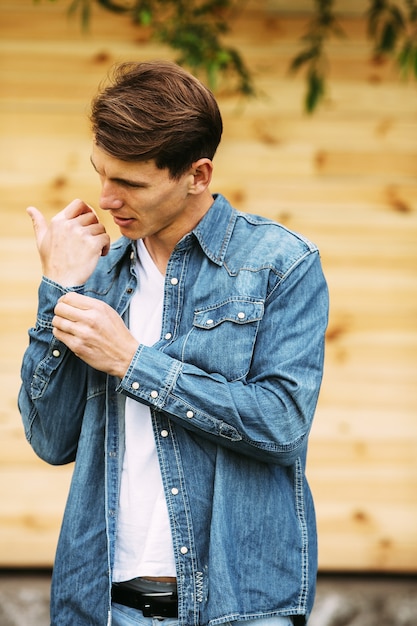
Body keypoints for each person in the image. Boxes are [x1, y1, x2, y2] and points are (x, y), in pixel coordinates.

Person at [19, 60, 329, 626]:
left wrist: (134, 363)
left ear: (198, 174)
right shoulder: (100, 278)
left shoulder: (279, 266)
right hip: (103, 606)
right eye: (101, 174)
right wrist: (59, 290)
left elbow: (283, 424)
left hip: (238, 609)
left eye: (131, 183)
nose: (107, 200)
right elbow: (49, 439)